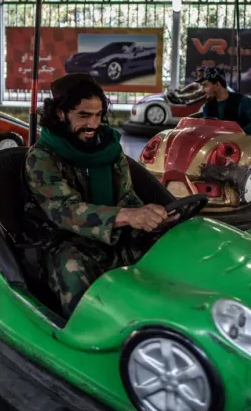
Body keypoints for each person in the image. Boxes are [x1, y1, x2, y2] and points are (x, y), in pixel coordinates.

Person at [23, 73, 176, 317]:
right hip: (64, 240)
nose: (93, 124)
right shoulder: (42, 158)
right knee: (72, 267)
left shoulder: (109, 149)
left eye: (98, 115)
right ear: (60, 114)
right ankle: (85, 330)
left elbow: (126, 196)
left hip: (114, 235)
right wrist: (127, 216)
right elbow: (65, 211)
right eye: (84, 115)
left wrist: (151, 217)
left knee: (166, 250)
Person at [197, 67, 251, 138]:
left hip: (242, 143)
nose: (203, 90)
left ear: (217, 85)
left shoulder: (242, 101)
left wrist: (242, 134)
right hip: (219, 143)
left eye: (205, 85)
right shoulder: (208, 106)